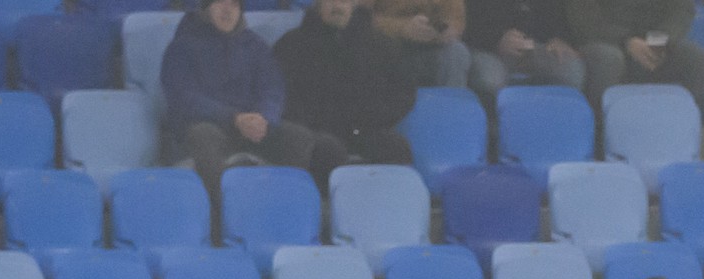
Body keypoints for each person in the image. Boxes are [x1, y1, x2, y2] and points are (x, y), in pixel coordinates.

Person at [161, 0, 350, 205]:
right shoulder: (182, 47)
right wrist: (234, 118)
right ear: (206, 8)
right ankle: (223, 215)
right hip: (210, 125)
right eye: (220, 3)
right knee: (203, 136)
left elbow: (273, 88)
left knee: (298, 137)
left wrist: (264, 118)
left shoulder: (255, 45)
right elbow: (184, 98)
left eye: (234, 4)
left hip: (252, 127)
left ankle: (284, 206)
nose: (227, 10)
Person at [273, 0, 418, 165]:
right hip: (315, 132)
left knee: (396, 148)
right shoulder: (291, 45)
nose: (338, 6)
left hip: (366, 129)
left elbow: (403, 91)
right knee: (326, 151)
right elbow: (279, 95)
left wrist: (374, 117)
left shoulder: (381, 45)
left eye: (343, 1)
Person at [567, 0, 704, 116]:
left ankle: (681, 130)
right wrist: (627, 41)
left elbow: (681, 9)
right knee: (609, 59)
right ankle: (602, 136)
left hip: (653, 42)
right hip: (604, 42)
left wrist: (658, 42)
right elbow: (584, 21)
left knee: (699, 61)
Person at [465, 0, 584, 99]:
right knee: (490, 79)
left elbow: (558, 20)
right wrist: (496, 39)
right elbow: (465, 24)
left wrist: (560, 39)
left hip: (537, 47)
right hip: (486, 49)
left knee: (571, 70)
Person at [370, 0, 472, 88]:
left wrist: (446, 31)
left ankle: (451, 105)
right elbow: (362, 19)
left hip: (432, 48)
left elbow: (456, 20)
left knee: (457, 52)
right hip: (389, 46)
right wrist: (403, 28)